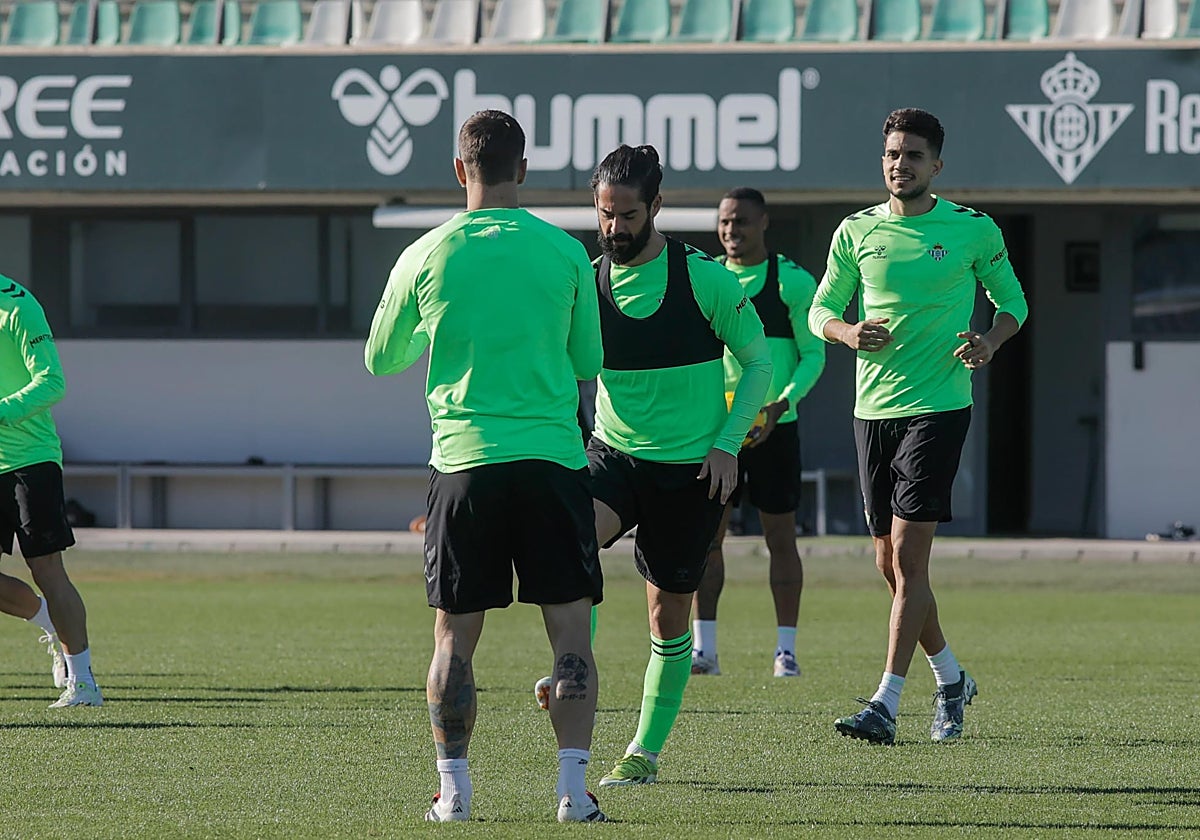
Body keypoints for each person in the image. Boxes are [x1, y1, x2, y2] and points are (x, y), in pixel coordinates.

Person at [364, 110, 607, 823]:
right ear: (523, 171)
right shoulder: (564, 252)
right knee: (569, 633)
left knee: (453, 638)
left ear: (459, 170)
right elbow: (588, 362)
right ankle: (570, 793)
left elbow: (381, 359)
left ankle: (455, 794)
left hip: (465, 466)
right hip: (554, 463)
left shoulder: (426, 252)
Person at [808, 108, 1028, 745]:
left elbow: (1013, 303)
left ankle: (885, 701)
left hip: (939, 407)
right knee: (892, 567)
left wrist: (989, 341)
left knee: (907, 558)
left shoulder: (971, 230)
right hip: (872, 410)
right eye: (891, 154)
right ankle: (952, 679)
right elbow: (823, 305)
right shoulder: (857, 231)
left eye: (912, 155)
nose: (899, 164)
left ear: (937, 165)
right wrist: (847, 331)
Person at [584, 146, 773, 787]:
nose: (614, 227)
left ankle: (644, 751)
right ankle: (572, 670)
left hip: (693, 469)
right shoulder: (586, 284)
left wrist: (726, 443)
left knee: (666, 612)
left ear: (656, 208)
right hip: (613, 454)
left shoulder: (706, 281)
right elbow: (559, 369)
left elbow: (759, 364)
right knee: (570, 547)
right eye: (605, 214)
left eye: (627, 214)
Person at [690, 187, 827, 680]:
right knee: (707, 540)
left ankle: (785, 651)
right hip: (715, 433)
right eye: (725, 222)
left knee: (781, 540)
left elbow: (815, 354)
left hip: (775, 430)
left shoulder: (791, 281)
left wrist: (781, 402)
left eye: (741, 222)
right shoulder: (704, 280)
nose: (731, 231)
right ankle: (704, 650)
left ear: (764, 222)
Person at [0, 272, 102, 708]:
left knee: (47, 570)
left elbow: (52, 381)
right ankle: (46, 620)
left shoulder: (18, 305)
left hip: (29, 460)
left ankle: (83, 684)